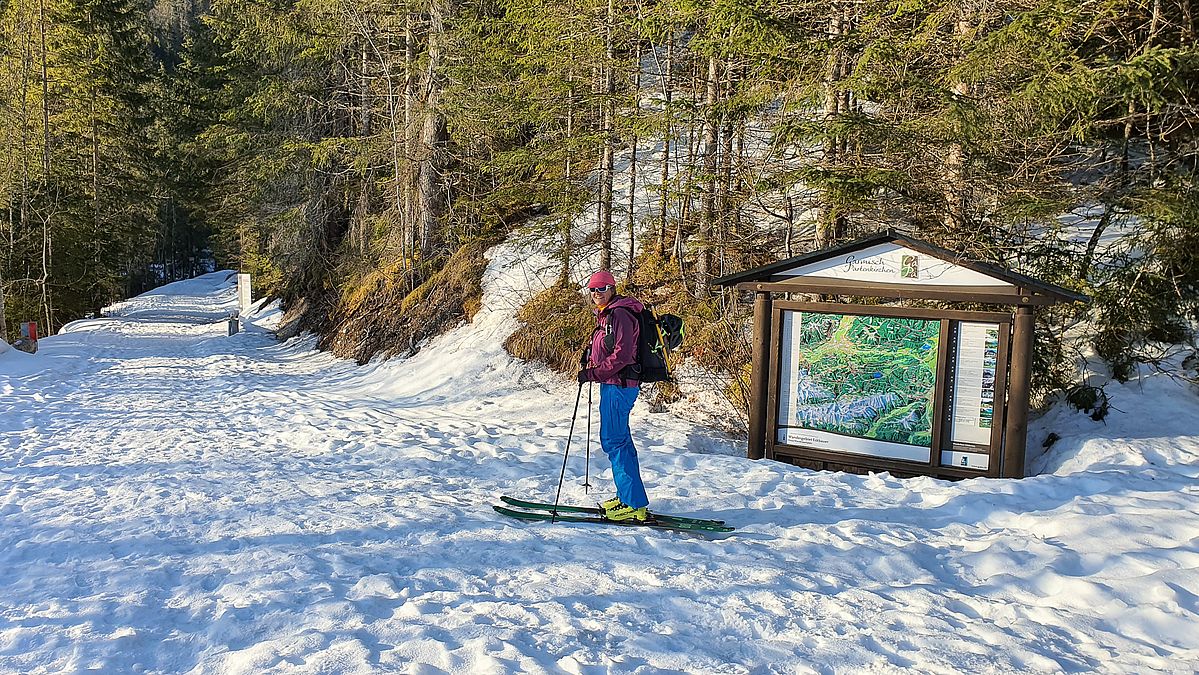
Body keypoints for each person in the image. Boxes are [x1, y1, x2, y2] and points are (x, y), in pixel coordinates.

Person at [576, 270, 649, 522]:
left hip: (619, 384)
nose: (597, 293)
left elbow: (622, 354)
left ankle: (632, 504)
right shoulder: (608, 314)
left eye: (602, 288)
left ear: (613, 288)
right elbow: (607, 347)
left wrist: (593, 373)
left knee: (614, 441)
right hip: (612, 384)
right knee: (621, 442)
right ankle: (627, 497)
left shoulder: (619, 314)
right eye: (593, 290)